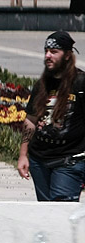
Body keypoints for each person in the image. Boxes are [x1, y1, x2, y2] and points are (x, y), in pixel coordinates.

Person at [17, 30, 85, 201]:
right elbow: (30, 120)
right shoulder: (42, 83)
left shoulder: (80, 82)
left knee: (61, 213)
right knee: (46, 215)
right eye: (46, 51)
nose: (48, 56)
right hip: (39, 161)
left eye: (54, 52)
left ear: (68, 55)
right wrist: (23, 155)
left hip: (69, 162)